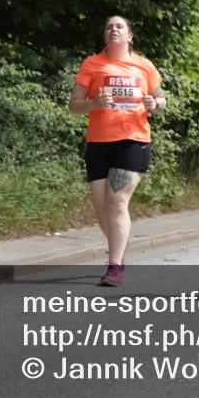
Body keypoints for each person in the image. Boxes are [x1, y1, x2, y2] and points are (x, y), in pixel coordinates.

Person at [69, 15, 166, 287]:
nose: (113, 29)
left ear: (130, 36)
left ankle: (114, 267)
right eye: (108, 26)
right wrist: (95, 103)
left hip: (133, 140)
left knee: (117, 201)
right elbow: (74, 106)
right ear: (104, 35)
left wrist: (154, 104)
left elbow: (161, 100)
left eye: (119, 26)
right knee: (101, 209)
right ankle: (119, 253)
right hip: (99, 142)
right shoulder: (92, 64)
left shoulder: (143, 65)